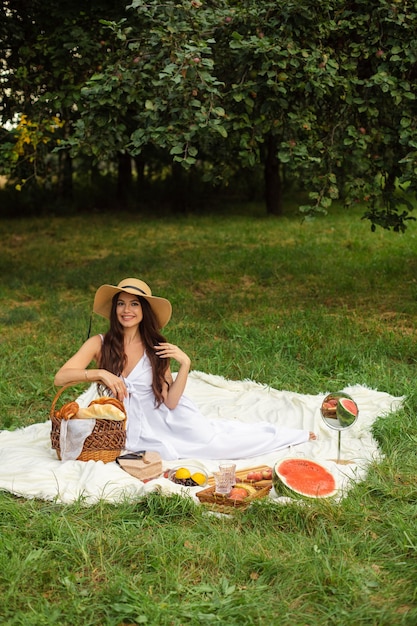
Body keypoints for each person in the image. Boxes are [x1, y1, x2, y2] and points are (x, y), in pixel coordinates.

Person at [54, 278, 316, 460]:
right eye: (121, 303)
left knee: (217, 443)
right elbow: (60, 378)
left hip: (166, 420)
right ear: (114, 309)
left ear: (144, 310)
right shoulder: (99, 343)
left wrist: (186, 365)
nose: (127, 310)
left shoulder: (156, 347)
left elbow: (170, 402)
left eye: (134, 304)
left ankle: (290, 435)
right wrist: (99, 373)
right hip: (123, 425)